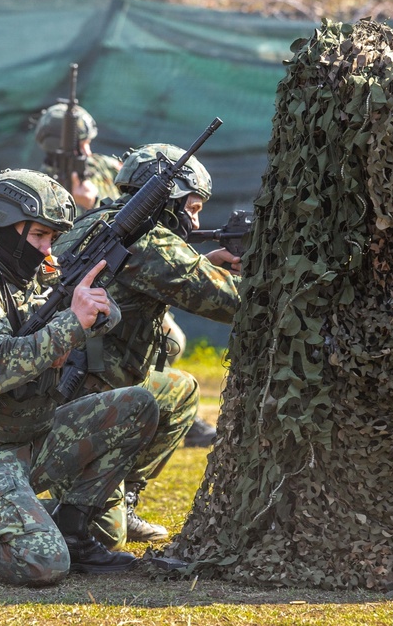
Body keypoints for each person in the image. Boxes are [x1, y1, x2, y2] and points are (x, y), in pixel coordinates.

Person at [0, 169, 160, 585]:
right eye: (38, 236)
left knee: (137, 407)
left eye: (52, 238)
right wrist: (74, 322)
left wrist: (100, 310)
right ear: (3, 225)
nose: (46, 249)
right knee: (43, 563)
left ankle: (72, 528)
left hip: (36, 436)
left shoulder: (36, 279)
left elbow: (104, 320)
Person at [51, 143, 241, 547]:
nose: (195, 219)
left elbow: (166, 273)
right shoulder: (147, 241)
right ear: (164, 198)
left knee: (180, 389)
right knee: (103, 539)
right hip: (83, 404)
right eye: (191, 207)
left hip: (77, 392)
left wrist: (206, 265)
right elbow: (233, 303)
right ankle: (77, 507)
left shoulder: (96, 223)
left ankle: (123, 497)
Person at [36, 101, 214, 448]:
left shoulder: (102, 169)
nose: (86, 150)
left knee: (164, 341)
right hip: (89, 318)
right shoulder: (47, 186)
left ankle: (149, 409)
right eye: (77, 145)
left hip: (109, 307)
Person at [34, 102, 122, 213]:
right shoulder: (41, 194)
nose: (88, 153)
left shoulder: (103, 165)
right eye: (80, 146)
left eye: (88, 143)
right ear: (56, 147)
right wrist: (92, 204)